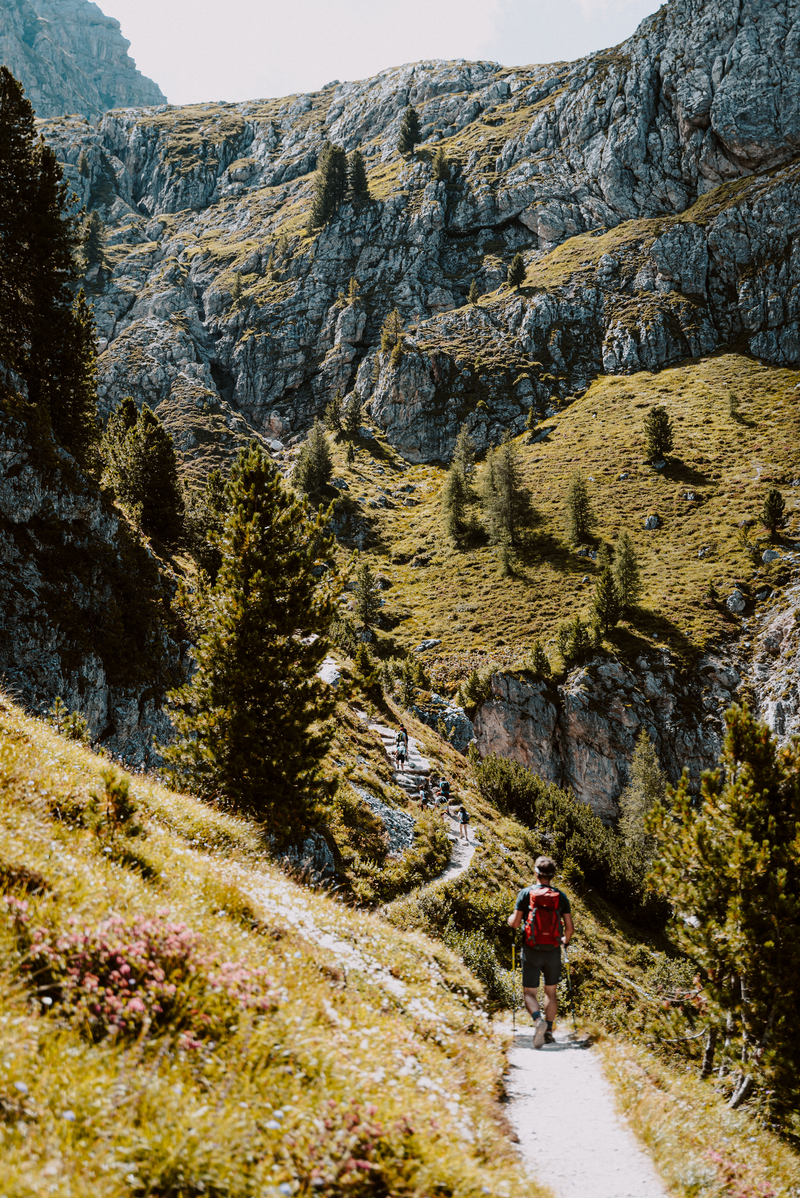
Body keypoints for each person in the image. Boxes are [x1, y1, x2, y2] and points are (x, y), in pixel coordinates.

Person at [507, 855, 574, 1049]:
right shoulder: (560, 897)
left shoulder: (526, 894)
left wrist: (510, 920)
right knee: (551, 992)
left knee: (529, 992)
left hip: (531, 948)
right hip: (552, 950)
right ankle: (549, 1032)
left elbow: (516, 922)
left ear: (535, 873)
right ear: (553, 875)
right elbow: (569, 928)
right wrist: (564, 941)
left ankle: (538, 1021)